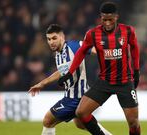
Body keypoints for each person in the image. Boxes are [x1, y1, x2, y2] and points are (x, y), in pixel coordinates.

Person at [58, 2, 141, 135]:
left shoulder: (128, 31)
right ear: (100, 17)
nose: (107, 23)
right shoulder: (92, 34)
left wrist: (136, 71)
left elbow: (135, 48)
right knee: (81, 112)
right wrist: (70, 72)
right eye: (104, 19)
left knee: (134, 123)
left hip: (125, 82)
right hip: (105, 81)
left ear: (116, 17)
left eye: (110, 19)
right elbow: (81, 52)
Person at [28, 24, 112, 135]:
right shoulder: (58, 54)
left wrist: (110, 54)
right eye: (49, 39)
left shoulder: (73, 46)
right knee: (81, 124)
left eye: (54, 38)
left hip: (75, 98)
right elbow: (62, 71)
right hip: (75, 96)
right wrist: (42, 83)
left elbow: (91, 48)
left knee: (48, 121)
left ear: (62, 37)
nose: (51, 42)